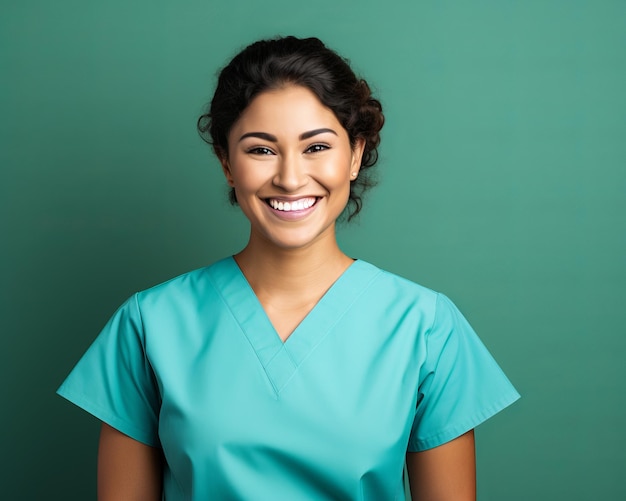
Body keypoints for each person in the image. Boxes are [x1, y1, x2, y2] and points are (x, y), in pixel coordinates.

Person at [58, 36, 519, 500]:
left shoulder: (426, 328)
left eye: (316, 147)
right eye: (261, 150)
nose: (291, 178)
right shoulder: (149, 324)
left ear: (355, 155)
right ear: (226, 162)